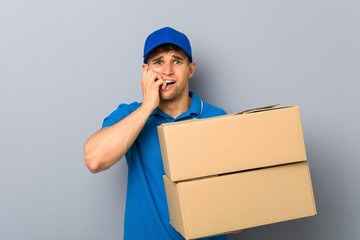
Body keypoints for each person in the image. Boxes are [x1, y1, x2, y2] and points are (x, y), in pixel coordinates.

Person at [84, 27, 228, 240]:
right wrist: (147, 108)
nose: (167, 71)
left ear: (191, 69)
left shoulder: (217, 119)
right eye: (158, 62)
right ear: (145, 70)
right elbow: (94, 160)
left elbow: (234, 204)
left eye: (177, 61)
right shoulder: (129, 115)